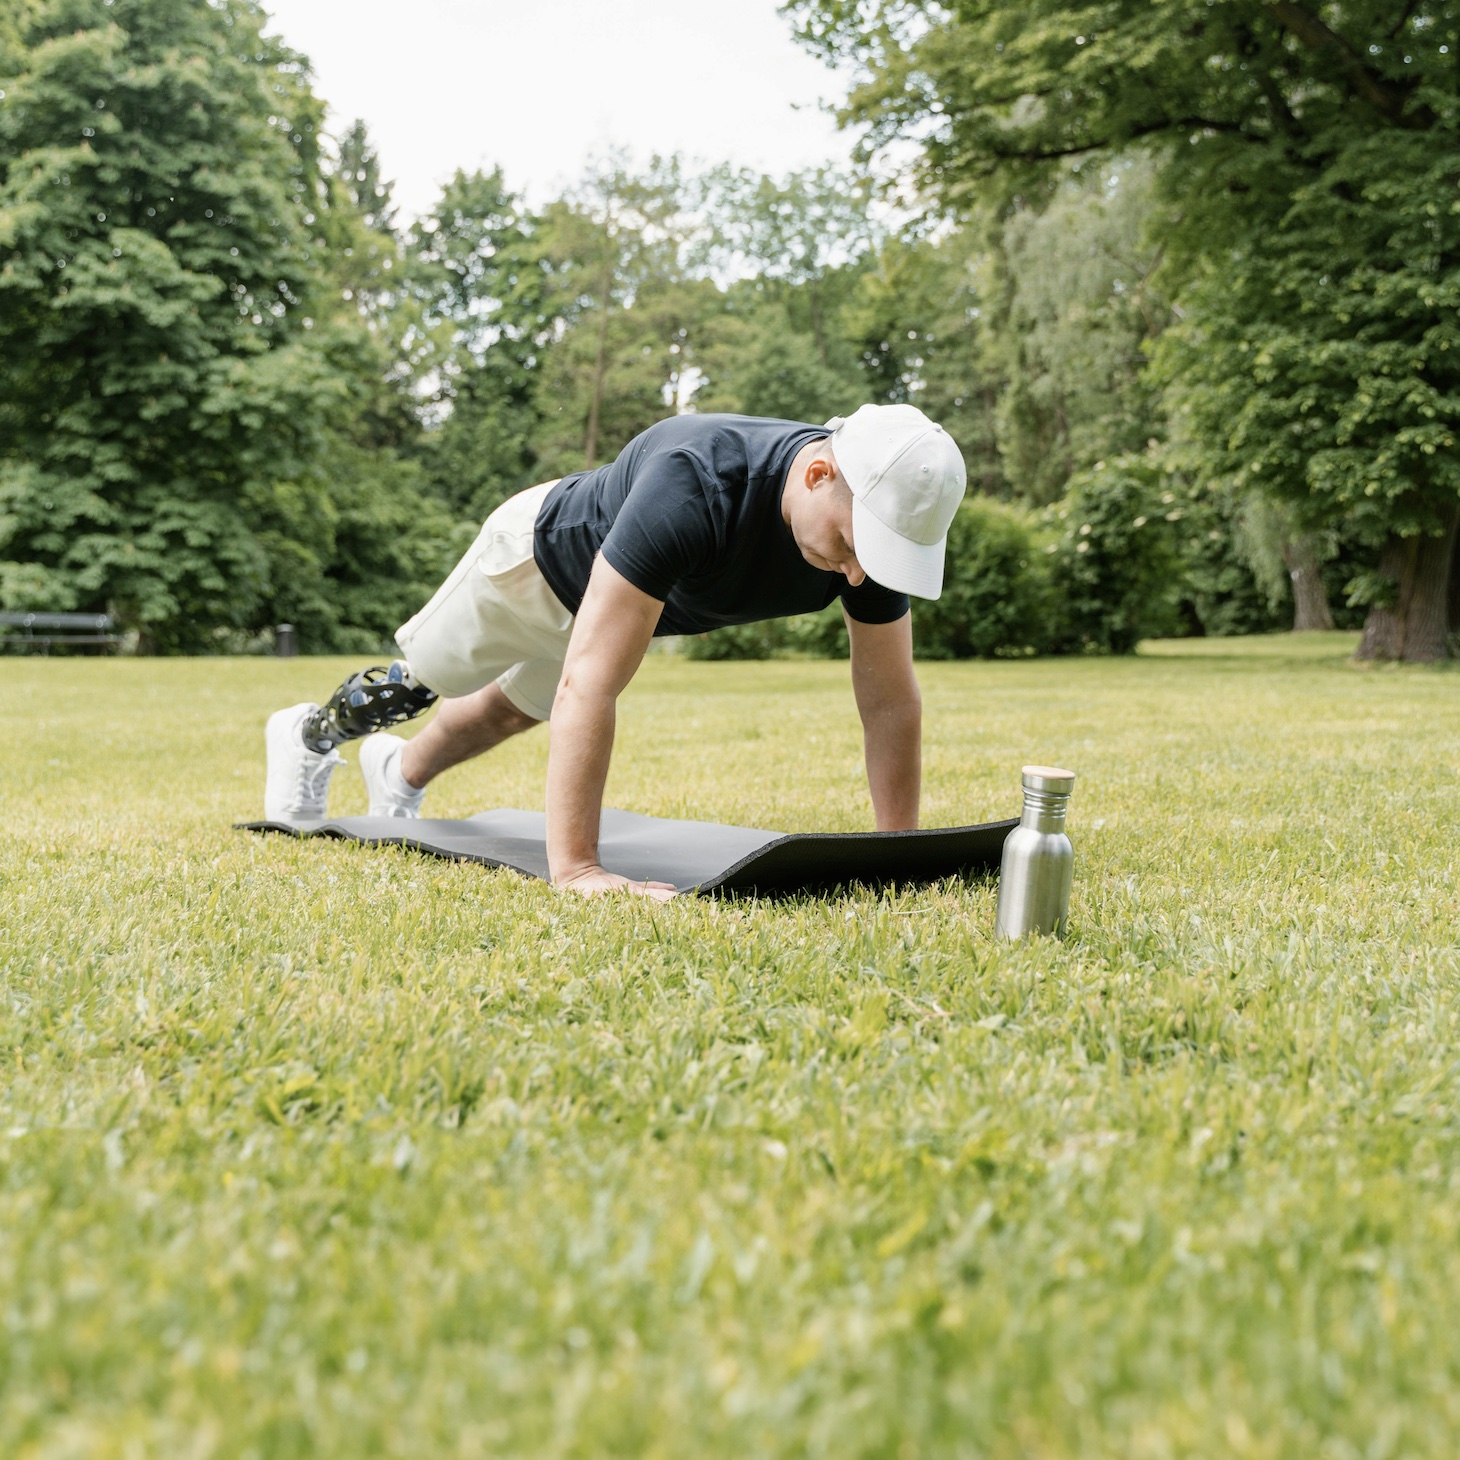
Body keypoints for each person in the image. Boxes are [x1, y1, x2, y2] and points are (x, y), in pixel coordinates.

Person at [263, 403, 966, 901]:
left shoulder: (868, 540)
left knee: (507, 712)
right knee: (426, 680)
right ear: (817, 476)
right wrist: (577, 870)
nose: (857, 576)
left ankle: (399, 774)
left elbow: (889, 699)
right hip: (532, 566)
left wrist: (895, 854)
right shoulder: (699, 479)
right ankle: (308, 734)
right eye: (849, 545)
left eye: (876, 557)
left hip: (616, 607)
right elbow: (592, 684)